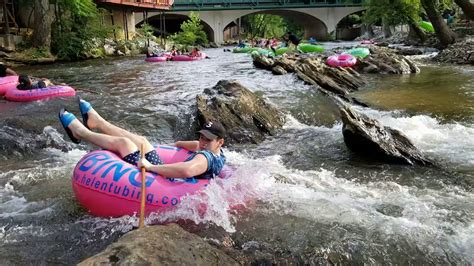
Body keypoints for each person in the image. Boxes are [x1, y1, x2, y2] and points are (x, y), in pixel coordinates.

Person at [58, 98, 227, 179]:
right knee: (144, 142)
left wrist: (151, 167)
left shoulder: (205, 157)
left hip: (164, 181)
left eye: (208, 139)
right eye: (202, 136)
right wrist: (172, 145)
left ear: (220, 142)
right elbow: (193, 145)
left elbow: (187, 170)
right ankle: (98, 122)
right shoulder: (217, 153)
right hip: (168, 175)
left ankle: (80, 133)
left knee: (124, 143)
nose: (203, 142)